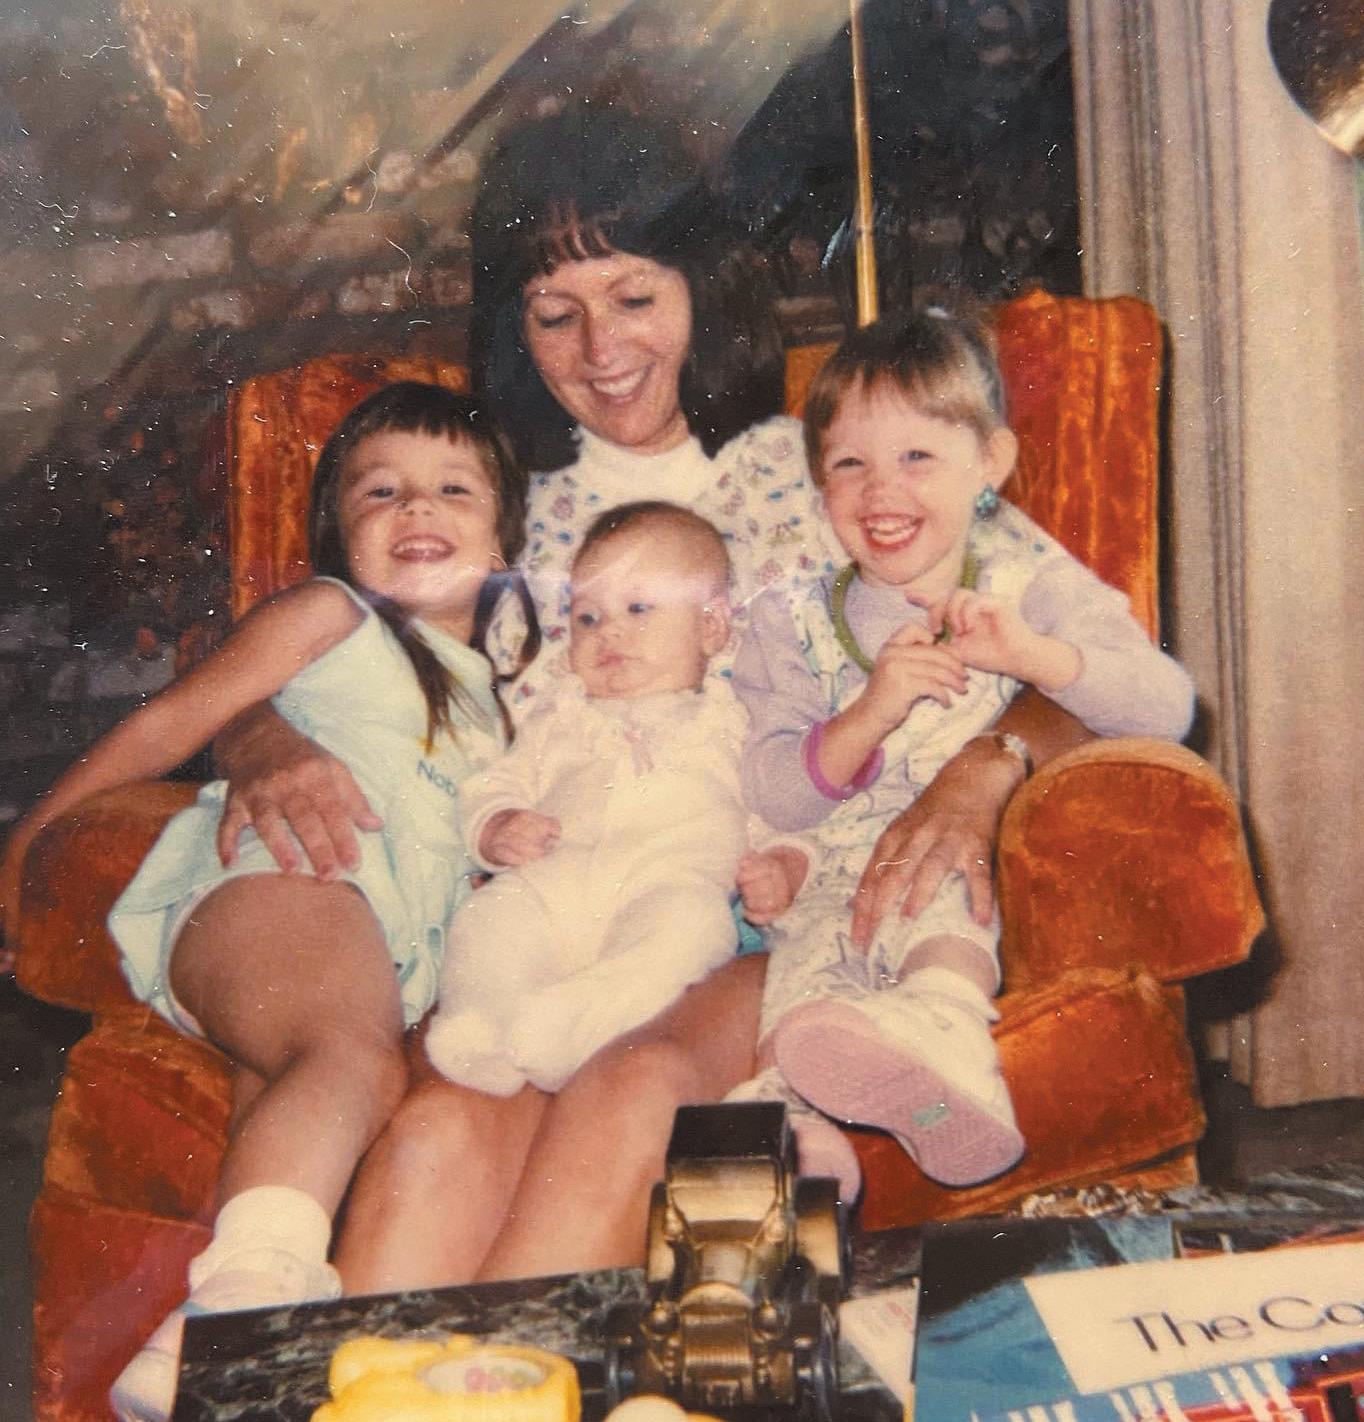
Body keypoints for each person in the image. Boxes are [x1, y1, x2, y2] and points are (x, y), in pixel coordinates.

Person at [211, 102, 1095, 1295]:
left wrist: (984, 773)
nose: (600, 348)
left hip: (766, 899)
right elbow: (329, 663)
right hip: (550, 911)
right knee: (439, 1132)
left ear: (702, 291)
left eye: (634, 296)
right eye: (554, 314)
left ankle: (515, 1377)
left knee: (632, 1087)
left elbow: (1084, 663)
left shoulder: (832, 464)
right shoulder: (492, 510)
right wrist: (257, 737)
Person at [0, 381, 533, 1422]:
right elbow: (170, 724)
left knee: (304, 1092)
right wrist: (22, 854)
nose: (417, 510)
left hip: (379, 941)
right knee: (349, 1061)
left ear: (507, 537)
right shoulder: (333, 617)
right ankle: (240, 1320)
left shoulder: (500, 697)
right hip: (282, 879)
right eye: (381, 492)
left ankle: (194, 1357)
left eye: (453, 490)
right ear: (337, 533)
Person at [727, 309, 1195, 1191]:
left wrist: (1034, 657)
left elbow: (1166, 704)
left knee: (941, 894)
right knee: (804, 996)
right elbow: (776, 789)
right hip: (828, 875)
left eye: (917, 456)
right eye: (849, 464)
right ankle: (810, 1139)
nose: (881, 491)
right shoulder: (791, 622)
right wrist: (869, 712)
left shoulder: (1030, 585)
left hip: (961, 858)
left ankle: (945, 1026)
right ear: (818, 483)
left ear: (990, 464)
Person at [428, 499, 850, 1202]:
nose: (609, 633)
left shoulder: (737, 722)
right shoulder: (559, 713)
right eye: (588, 617)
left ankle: (577, 1027)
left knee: (692, 931)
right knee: (490, 920)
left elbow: (783, 811)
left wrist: (784, 865)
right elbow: (497, 782)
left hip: (669, 883)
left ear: (711, 626)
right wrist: (497, 824)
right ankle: (482, 1022)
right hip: (554, 880)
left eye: (639, 609)